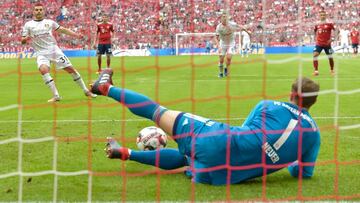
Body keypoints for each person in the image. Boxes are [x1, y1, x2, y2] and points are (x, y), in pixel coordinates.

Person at [91, 68, 321, 185]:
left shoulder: (268, 105)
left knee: (157, 112)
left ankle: (105, 88)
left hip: (218, 141)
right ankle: (127, 154)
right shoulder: (314, 135)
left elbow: (244, 131)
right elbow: (303, 173)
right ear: (314, 101)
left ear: (292, 93)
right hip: (217, 176)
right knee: (191, 158)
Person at [21, 3, 96, 102]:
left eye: (40, 9)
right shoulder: (28, 25)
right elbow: (22, 40)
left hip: (54, 51)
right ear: (33, 11)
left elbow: (62, 30)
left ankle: (86, 91)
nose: (38, 11)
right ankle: (56, 96)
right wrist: (25, 39)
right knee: (43, 70)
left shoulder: (49, 22)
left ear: (43, 11)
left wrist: (76, 35)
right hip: (41, 53)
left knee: (70, 70)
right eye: (36, 10)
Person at [215, 12, 245, 78]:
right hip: (222, 43)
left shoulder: (232, 24)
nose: (224, 18)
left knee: (228, 58)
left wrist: (248, 32)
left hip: (231, 43)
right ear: (221, 18)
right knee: (221, 59)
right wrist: (218, 46)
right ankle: (220, 72)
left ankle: (226, 69)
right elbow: (216, 38)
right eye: (223, 17)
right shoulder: (219, 27)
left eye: (226, 17)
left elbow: (240, 26)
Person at [312, 10, 336, 76]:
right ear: (319, 16)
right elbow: (314, 31)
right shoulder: (317, 24)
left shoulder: (329, 24)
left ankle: (332, 70)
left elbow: (337, 31)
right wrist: (316, 38)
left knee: (330, 57)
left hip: (327, 44)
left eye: (323, 15)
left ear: (326, 16)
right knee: (315, 55)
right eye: (321, 15)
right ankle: (316, 71)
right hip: (319, 44)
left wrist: (332, 39)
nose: (322, 16)